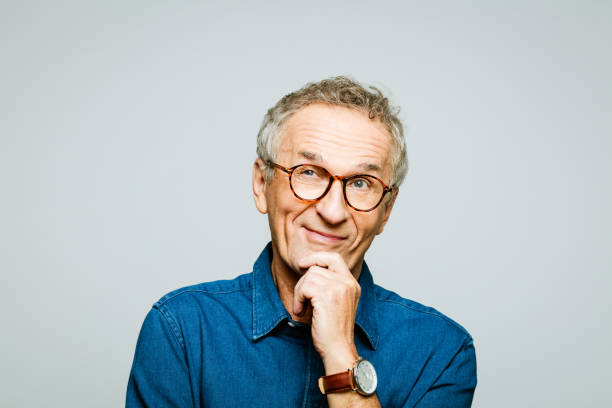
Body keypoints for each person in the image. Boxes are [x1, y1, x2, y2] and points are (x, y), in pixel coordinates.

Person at [126, 76, 477, 407]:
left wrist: (342, 352)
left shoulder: (442, 351)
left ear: (386, 211)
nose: (333, 210)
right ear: (262, 185)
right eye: (308, 173)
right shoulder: (182, 330)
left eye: (361, 183)